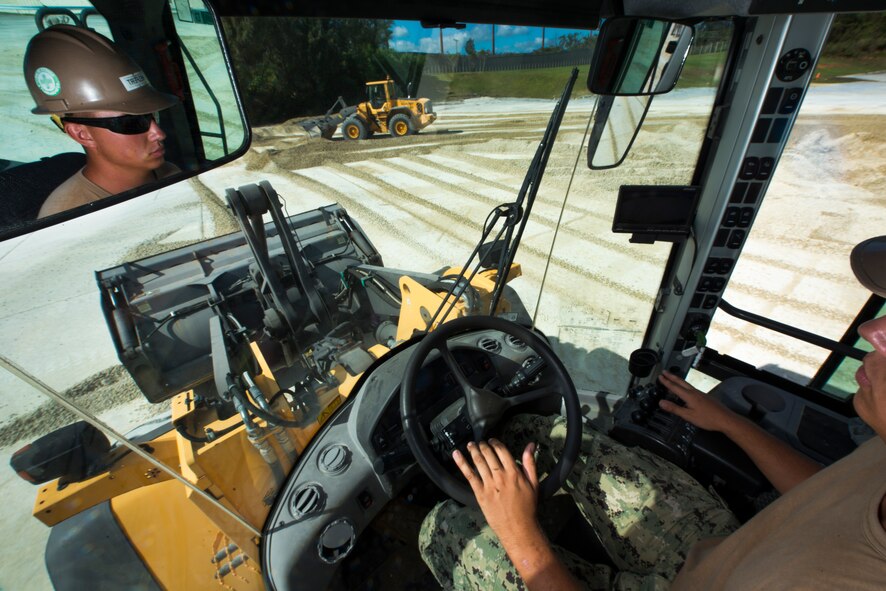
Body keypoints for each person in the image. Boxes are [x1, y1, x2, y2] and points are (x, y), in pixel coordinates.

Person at [420, 235, 886, 590]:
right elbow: (823, 492)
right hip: (722, 546)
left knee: (443, 526)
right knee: (550, 436)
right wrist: (728, 421)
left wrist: (518, 531)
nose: (869, 329)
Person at [23, 25, 180, 219]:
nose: (158, 133)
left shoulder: (170, 173)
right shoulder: (69, 220)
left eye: (152, 115)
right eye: (132, 122)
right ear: (82, 134)